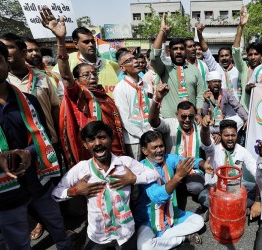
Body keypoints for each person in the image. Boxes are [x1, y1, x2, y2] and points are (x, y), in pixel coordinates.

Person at [0, 32, 69, 250]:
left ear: (7, 63)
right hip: (1, 190)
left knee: (57, 224)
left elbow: (43, 139)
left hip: (38, 178)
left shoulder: (29, 101)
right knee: (18, 241)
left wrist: (29, 153)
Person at [41, 7, 126, 167]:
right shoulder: (78, 93)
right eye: (86, 75)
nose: (92, 77)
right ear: (78, 79)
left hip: (114, 151)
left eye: (94, 74)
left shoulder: (104, 96)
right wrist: (60, 40)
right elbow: (65, 76)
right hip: (90, 155)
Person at [53, 121, 159, 249]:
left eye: (102, 137)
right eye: (91, 140)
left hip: (125, 233)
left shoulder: (125, 163)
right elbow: (56, 194)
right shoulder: (82, 169)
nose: (97, 143)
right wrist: (75, 191)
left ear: (111, 139)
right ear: (85, 145)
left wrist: (134, 178)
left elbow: (154, 174)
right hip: (98, 236)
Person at [135, 131, 212, 250]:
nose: (159, 150)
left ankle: (163, 239)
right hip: (149, 221)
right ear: (145, 150)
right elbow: (156, 197)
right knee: (144, 247)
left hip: (172, 214)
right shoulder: (141, 168)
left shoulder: (168, 159)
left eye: (161, 146)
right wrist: (177, 177)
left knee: (199, 221)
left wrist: (202, 165)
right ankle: (182, 238)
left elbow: (188, 161)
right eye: (155, 147)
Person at [0, 33, 61, 162]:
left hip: (48, 142)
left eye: (8, 47)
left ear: (22, 52)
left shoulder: (43, 77)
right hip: (18, 148)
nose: (3, 52)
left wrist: (59, 138)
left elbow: (55, 108)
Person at [149, 83, 213, 209]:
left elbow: (207, 143)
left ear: (195, 116)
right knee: (172, 187)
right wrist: (158, 99)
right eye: (183, 116)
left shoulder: (199, 126)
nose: (187, 120)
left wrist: (205, 129)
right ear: (176, 115)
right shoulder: (170, 124)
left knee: (196, 187)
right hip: (172, 170)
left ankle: (186, 195)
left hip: (193, 169)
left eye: (191, 116)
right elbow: (153, 121)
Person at [198, 120, 258, 219]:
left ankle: (218, 209)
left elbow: (256, 171)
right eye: (226, 135)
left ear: (237, 135)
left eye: (233, 135)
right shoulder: (213, 147)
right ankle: (238, 207)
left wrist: (258, 200)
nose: (230, 138)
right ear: (220, 135)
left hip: (235, 187)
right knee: (202, 196)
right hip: (215, 188)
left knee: (256, 190)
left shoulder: (242, 151)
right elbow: (205, 140)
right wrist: (205, 128)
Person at [150, 13, 204, 122]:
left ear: (186, 51)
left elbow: (200, 94)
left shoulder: (194, 70)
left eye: (181, 48)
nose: (178, 51)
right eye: (175, 49)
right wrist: (162, 31)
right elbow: (154, 56)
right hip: (169, 119)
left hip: (191, 120)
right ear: (169, 52)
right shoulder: (164, 69)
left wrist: (198, 113)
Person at [53, 26, 119, 97]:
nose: (91, 44)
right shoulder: (69, 61)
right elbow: (61, 84)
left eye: (92, 41)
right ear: (76, 44)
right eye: (86, 42)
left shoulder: (110, 63)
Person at [113, 49, 152, 160]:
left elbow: (151, 108)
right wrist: (142, 135)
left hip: (150, 135)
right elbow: (124, 118)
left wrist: (151, 132)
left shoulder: (147, 85)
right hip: (133, 140)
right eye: (129, 60)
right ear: (122, 67)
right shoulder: (120, 88)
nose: (135, 62)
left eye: (135, 58)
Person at [232, 6, 262, 111]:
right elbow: (236, 50)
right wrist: (241, 26)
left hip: (261, 111)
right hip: (244, 112)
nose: (253, 57)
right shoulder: (243, 68)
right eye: (250, 54)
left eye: (256, 54)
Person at [197, 24, 241, 101]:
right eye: (222, 56)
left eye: (226, 55)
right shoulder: (215, 67)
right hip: (220, 107)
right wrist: (199, 34)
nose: (224, 58)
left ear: (231, 57)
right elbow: (206, 52)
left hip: (235, 108)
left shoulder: (238, 69)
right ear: (219, 58)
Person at [203, 71, 248, 140]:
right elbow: (203, 114)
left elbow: (237, 106)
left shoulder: (225, 92)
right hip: (209, 126)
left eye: (219, 82)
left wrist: (247, 119)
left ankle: (221, 135)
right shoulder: (204, 93)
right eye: (214, 81)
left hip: (222, 124)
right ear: (208, 83)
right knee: (200, 126)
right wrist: (206, 101)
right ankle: (217, 136)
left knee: (241, 119)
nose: (217, 84)